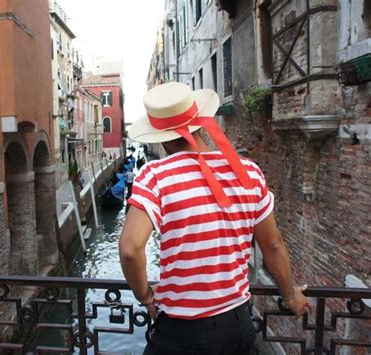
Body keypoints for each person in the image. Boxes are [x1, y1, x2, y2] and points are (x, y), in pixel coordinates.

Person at [119, 82, 313, 355]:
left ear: (161, 138)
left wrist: (146, 297)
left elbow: (130, 250)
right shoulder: (249, 171)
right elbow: (273, 246)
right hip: (238, 325)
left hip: (183, 331)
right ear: (199, 123)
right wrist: (290, 294)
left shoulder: (155, 176)